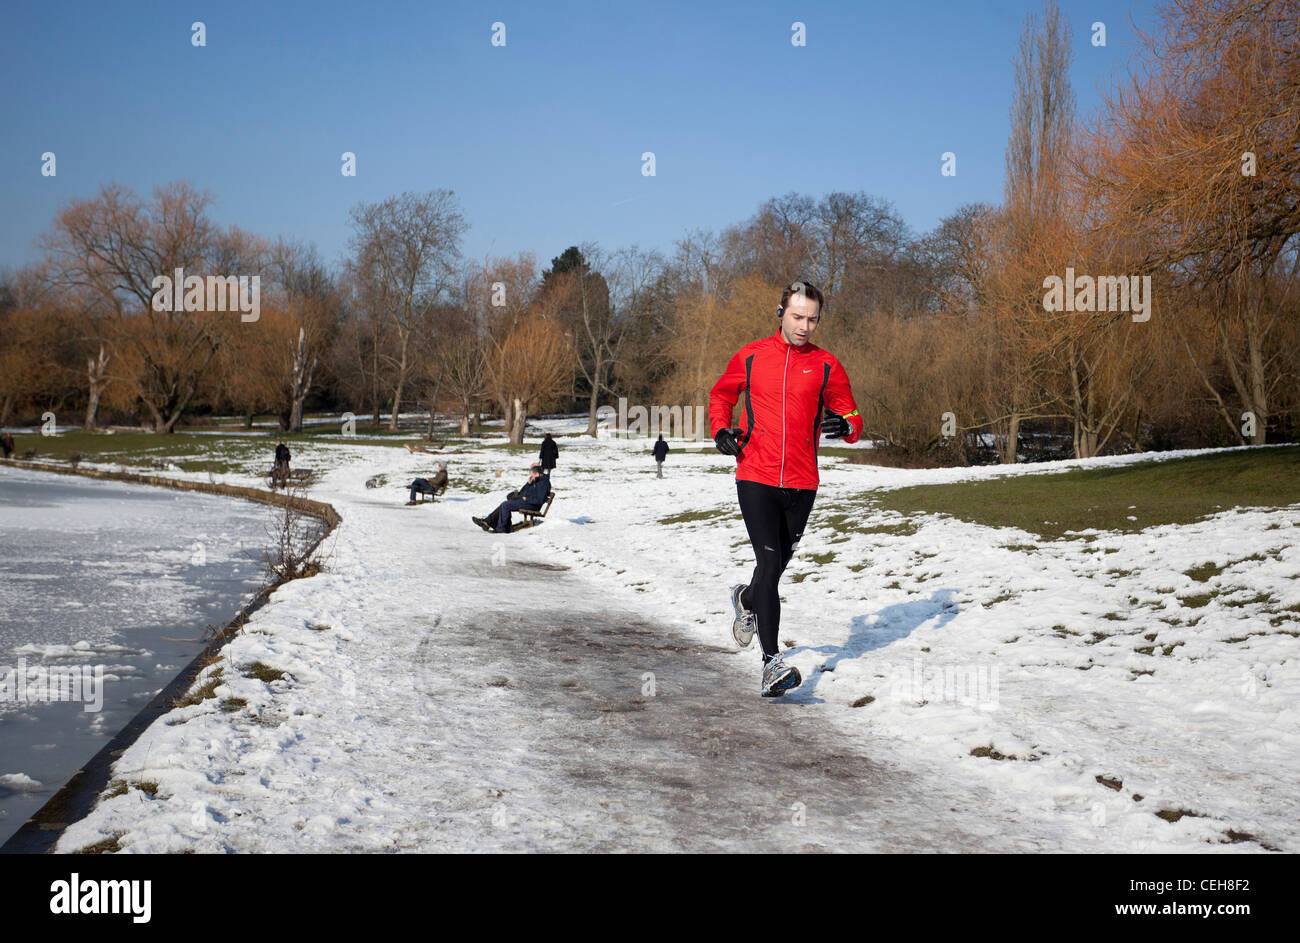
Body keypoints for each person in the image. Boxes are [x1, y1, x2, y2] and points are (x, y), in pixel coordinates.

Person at [709, 279, 863, 697]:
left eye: (812, 319)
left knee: (772, 570)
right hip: (755, 475)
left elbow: (851, 412)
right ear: (781, 313)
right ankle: (771, 663)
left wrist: (847, 425)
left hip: (802, 482)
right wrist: (721, 429)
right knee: (771, 565)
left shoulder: (827, 365)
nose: (805, 326)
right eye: (797, 316)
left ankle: (746, 599)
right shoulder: (752, 356)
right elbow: (721, 396)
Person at [473, 462, 550, 533]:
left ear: (537, 474)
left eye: (532, 475)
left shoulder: (544, 483)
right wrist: (528, 484)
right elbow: (522, 492)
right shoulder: (536, 480)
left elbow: (540, 500)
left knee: (506, 505)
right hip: (527, 502)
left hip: (532, 505)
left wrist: (527, 499)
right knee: (505, 504)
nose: (531, 476)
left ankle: (501, 529)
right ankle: (488, 522)